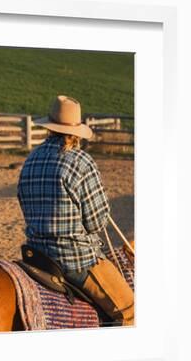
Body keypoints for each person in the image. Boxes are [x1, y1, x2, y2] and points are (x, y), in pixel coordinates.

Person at [17, 95, 134, 326]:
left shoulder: (30, 159)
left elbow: (23, 202)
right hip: (75, 260)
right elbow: (96, 223)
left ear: (50, 127)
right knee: (132, 313)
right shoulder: (81, 161)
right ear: (76, 131)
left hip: (36, 255)